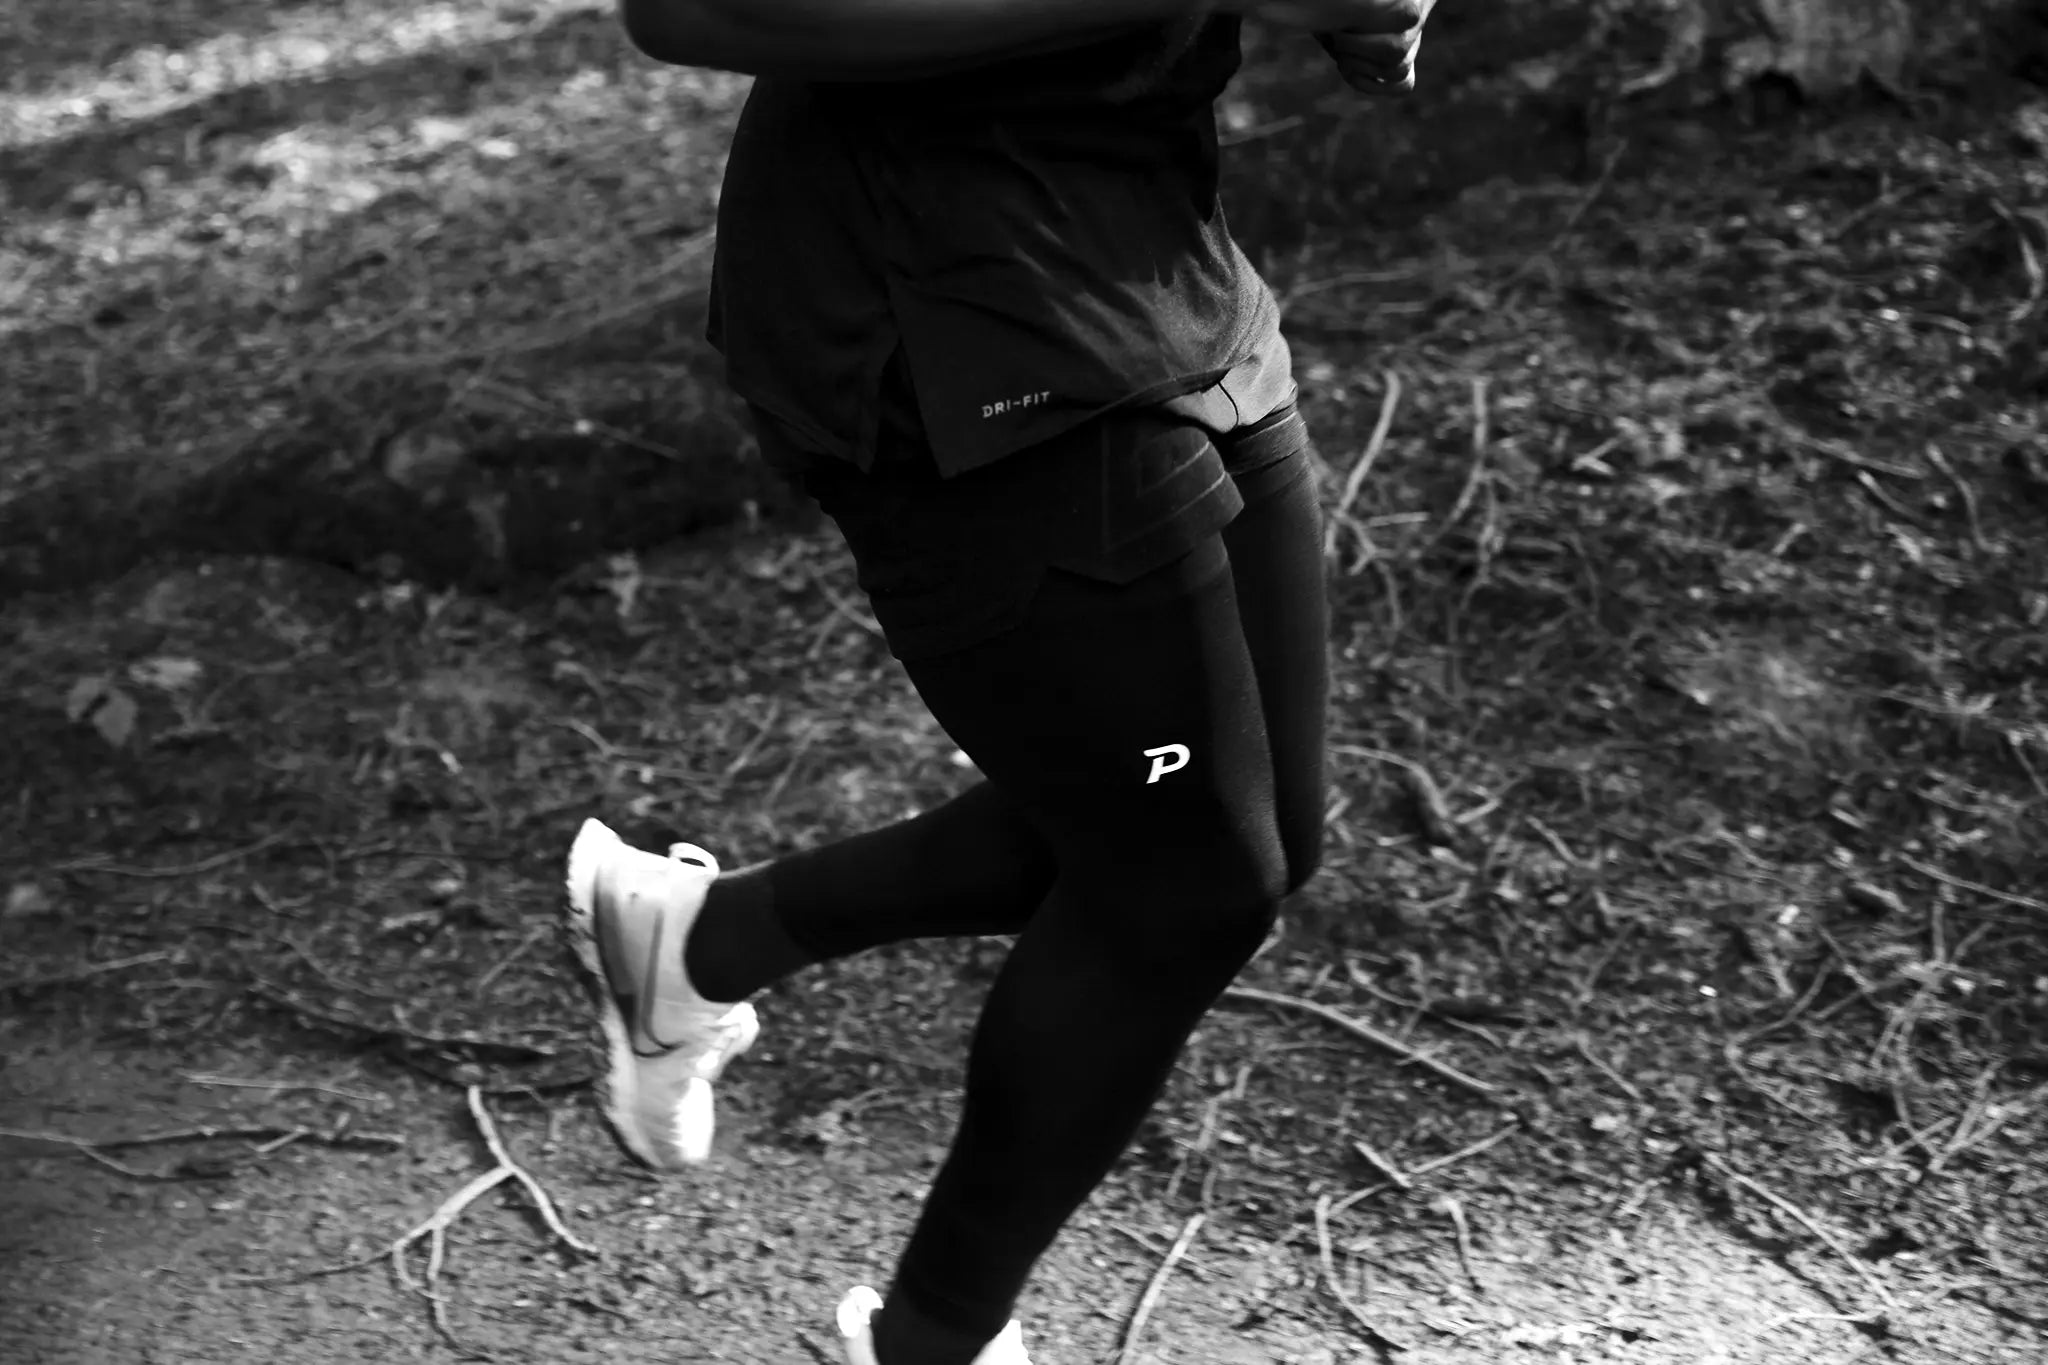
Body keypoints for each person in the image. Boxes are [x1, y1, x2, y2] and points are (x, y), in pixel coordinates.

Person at [562, 3, 1439, 1362]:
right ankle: (932, 1342)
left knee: (1253, 836)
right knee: (1188, 881)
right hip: (946, 308)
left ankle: (696, 942)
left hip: (1151, 250)